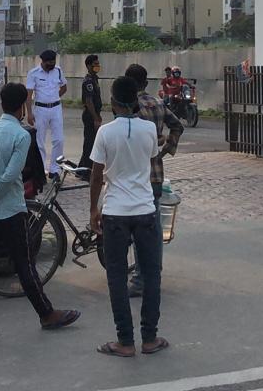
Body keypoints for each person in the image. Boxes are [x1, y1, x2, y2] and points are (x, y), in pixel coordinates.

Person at [0, 83, 80, 344]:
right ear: (22, 107)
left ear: (2, 103)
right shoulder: (21, 135)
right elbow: (9, 177)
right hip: (10, 212)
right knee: (25, 265)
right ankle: (47, 314)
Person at [90, 76, 169, 357]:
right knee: (151, 274)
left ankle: (125, 341)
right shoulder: (149, 130)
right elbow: (150, 158)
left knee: (116, 276)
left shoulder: (105, 132)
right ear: (136, 101)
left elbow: (97, 176)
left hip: (115, 212)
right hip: (145, 209)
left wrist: (93, 209)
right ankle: (150, 338)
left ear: (113, 102)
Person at [124, 63, 183, 297]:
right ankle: (153, 274)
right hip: (156, 174)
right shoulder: (158, 103)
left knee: (138, 231)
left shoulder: (131, 107)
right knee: (153, 230)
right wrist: (166, 148)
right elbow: (177, 126)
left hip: (136, 176)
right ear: (146, 83)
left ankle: (141, 279)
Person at [25, 50, 66, 177]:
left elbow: (64, 87)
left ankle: (55, 169)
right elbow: (28, 95)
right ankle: (41, 170)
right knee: (39, 141)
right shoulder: (33, 73)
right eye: (49, 63)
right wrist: (29, 113)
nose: (51, 65)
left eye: (53, 62)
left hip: (56, 108)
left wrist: (54, 97)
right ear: (42, 61)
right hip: (40, 109)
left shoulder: (58, 71)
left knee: (59, 139)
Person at [78, 54, 103, 180]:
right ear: (88, 66)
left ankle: (81, 168)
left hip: (94, 113)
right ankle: (86, 172)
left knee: (90, 142)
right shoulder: (88, 81)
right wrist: (95, 118)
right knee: (90, 144)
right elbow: (89, 101)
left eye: (98, 64)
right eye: (95, 64)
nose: (97, 66)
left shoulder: (94, 79)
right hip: (90, 115)